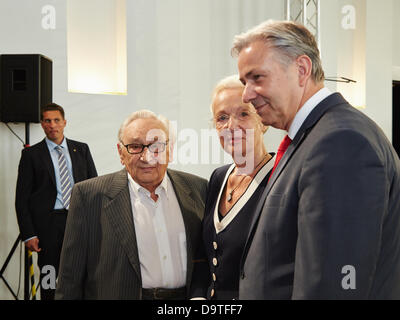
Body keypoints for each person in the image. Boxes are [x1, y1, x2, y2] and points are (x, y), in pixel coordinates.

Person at [231, 20, 400, 299]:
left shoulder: (341, 142)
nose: (247, 95)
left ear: (301, 69)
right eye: (244, 82)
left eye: (257, 78)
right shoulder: (312, 139)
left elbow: (336, 285)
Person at [55, 109, 208, 300]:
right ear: (121, 153)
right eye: (135, 147)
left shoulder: (199, 189)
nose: (147, 157)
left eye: (156, 146)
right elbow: (70, 279)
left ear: (169, 150)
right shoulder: (89, 197)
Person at [191, 75, 275, 300]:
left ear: (263, 122)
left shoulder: (281, 177)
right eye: (222, 118)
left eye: (243, 114)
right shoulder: (219, 177)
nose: (231, 126)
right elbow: (204, 255)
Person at [15, 103, 98, 300]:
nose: (52, 125)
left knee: (82, 275)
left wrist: (96, 224)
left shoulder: (82, 149)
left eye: (56, 120)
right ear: (42, 124)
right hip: (48, 226)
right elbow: (22, 199)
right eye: (47, 121)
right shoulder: (31, 155)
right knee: (49, 278)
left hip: (78, 221)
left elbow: (94, 188)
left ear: (64, 122)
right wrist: (29, 234)